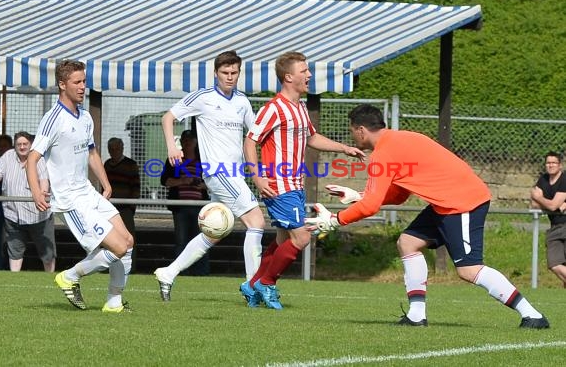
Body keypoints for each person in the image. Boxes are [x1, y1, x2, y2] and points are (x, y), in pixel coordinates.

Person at [304, 103, 550, 329]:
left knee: (468, 269)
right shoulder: (400, 139)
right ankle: (416, 315)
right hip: (447, 202)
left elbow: (371, 207)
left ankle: (532, 315)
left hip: (461, 203)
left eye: (351, 130)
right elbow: (397, 195)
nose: (352, 136)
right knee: (408, 242)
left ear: (360, 130)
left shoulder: (383, 153)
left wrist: (334, 220)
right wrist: (358, 196)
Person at [242, 51, 365, 310]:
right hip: (279, 185)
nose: (309, 75)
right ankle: (267, 283)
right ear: (288, 77)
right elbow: (250, 140)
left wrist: (345, 148)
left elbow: (312, 138)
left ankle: (253, 284)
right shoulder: (273, 108)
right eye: (304, 71)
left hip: (294, 184)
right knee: (301, 239)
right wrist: (257, 175)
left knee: (281, 241)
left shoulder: (299, 107)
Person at [154, 50, 266, 301]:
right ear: (216, 73)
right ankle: (254, 288)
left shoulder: (242, 102)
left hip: (235, 174)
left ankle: (168, 272)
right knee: (257, 221)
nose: (229, 77)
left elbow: (256, 134)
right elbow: (168, 117)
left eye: (234, 73)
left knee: (216, 232)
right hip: (218, 172)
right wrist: (172, 145)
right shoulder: (203, 97)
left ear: (239, 73)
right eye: (225, 73)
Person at [27, 59, 134, 313]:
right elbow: (32, 159)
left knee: (128, 241)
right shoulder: (53, 119)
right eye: (77, 82)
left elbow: (92, 153)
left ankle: (113, 302)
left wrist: (105, 184)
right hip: (70, 199)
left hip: (87, 192)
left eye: (84, 81)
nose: (82, 86)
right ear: (62, 85)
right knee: (117, 247)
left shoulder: (85, 117)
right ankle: (70, 276)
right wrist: (35, 191)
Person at [0, 131, 56, 272]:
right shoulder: (7, 157)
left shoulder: (37, 158)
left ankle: (50, 279)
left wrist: (42, 193)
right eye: (19, 144)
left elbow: (43, 180)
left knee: (47, 254)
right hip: (13, 216)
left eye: (25, 144)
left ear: (30, 145)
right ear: (14, 146)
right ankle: (14, 280)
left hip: (39, 216)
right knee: (15, 253)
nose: (22, 147)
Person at [160, 129, 209, 276]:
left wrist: (203, 185)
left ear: (195, 142)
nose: (187, 143)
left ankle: (201, 272)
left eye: (190, 140)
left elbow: (213, 182)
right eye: (185, 140)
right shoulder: (174, 160)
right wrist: (183, 180)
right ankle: (182, 271)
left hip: (200, 207)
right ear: (181, 142)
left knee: (202, 240)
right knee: (181, 241)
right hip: (180, 207)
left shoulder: (203, 160)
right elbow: (165, 181)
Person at [530, 151, 566, 288]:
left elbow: (551, 205)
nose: (550, 165)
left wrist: (540, 198)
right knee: (554, 264)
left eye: (554, 163)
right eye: (548, 163)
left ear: (560, 165)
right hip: (555, 227)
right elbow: (533, 204)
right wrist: (551, 205)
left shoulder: (564, 179)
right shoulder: (543, 179)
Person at [104, 137, 140, 271]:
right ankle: (110, 266)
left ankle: (131, 267)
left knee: (129, 237)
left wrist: (131, 207)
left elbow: (136, 187)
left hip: (125, 208)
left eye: (116, 149)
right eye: (111, 149)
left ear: (122, 148)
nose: (114, 152)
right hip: (110, 208)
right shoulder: (107, 164)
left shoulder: (131, 164)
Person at [0, 134, 13, 270]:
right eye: (0, 146)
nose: (2, 149)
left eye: (5, 146)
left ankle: (7, 268)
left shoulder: (14, 162)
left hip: (10, 209)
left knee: (11, 241)